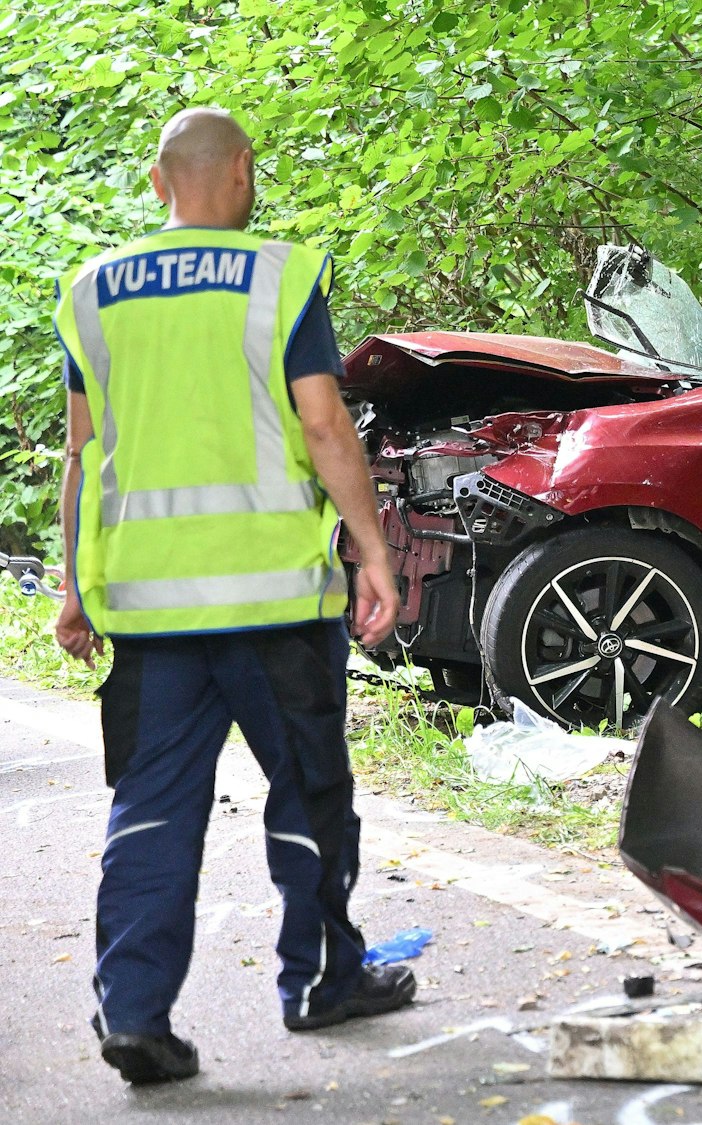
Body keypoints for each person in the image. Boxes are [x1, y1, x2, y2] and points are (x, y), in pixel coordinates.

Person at [51, 107, 412, 1085]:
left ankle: (133, 1014)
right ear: (243, 172)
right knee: (307, 794)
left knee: (152, 810)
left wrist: (73, 584)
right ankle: (319, 980)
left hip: (151, 611)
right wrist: (370, 548)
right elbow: (324, 424)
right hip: (273, 605)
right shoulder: (278, 274)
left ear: (160, 183)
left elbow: (84, 449)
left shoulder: (93, 291)